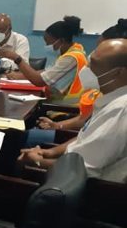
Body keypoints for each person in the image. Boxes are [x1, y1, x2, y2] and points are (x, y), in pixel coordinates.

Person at [19, 38, 127, 182]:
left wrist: (37, 161)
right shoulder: (110, 99)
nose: (86, 68)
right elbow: (84, 137)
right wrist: (49, 152)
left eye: (93, 63)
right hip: (71, 166)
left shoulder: (120, 110)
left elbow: (81, 169)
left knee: (11, 151)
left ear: (118, 72)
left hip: (85, 190)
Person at [0, 16, 86, 105]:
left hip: (64, 107)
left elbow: (40, 81)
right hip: (58, 101)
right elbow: (47, 72)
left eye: (49, 43)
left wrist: (17, 58)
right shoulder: (73, 51)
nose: (47, 46)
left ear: (61, 41)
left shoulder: (71, 58)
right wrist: (20, 76)